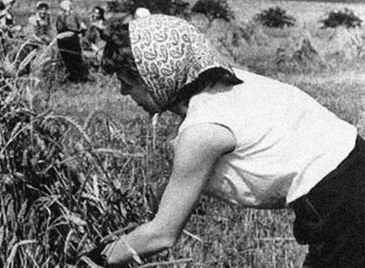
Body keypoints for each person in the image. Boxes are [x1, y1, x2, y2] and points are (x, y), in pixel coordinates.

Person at [97, 14, 365, 267]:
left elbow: (162, 234)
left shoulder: (203, 130)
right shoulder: (230, 85)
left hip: (341, 203)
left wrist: (93, 259)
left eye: (127, 82)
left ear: (155, 77)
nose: (122, 92)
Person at [55, 0, 91, 82]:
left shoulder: (60, 17)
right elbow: (83, 27)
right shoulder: (75, 15)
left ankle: (70, 76)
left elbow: (58, 28)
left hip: (61, 39)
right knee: (76, 57)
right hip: (72, 37)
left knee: (67, 59)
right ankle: (79, 77)